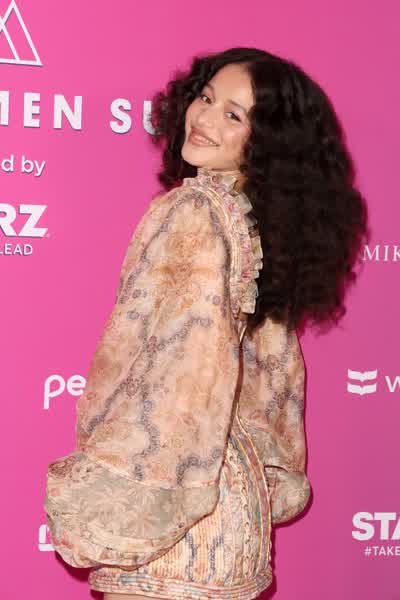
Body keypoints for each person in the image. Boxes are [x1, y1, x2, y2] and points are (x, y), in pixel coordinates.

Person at [44, 47, 370, 599]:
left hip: (174, 500)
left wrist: (122, 493)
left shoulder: (191, 209)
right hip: (234, 499)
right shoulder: (255, 226)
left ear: (265, 143)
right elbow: (275, 378)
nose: (205, 118)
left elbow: (169, 374)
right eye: (206, 97)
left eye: (234, 115)